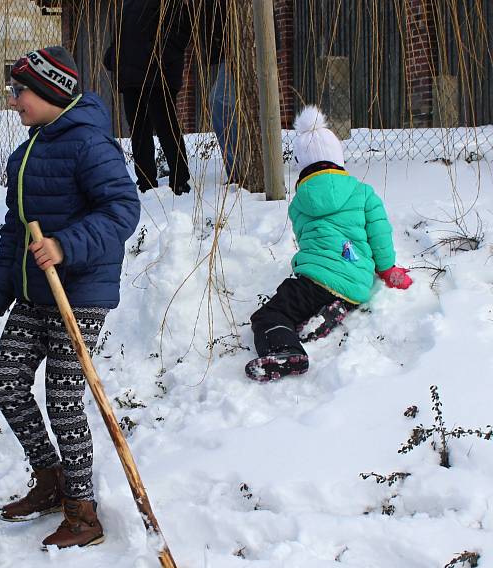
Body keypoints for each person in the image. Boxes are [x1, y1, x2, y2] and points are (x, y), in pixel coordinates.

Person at [0, 46, 140, 549]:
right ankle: (49, 479)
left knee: (64, 397)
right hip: (32, 293)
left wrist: (65, 246)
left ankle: (82, 510)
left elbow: (122, 210)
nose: (13, 101)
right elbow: (14, 229)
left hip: (80, 291)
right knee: (6, 382)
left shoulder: (91, 144)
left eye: (19, 90)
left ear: (49, 91)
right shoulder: (24, 154)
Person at [245, 106, 412, 382]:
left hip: (315, 280)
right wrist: (387, 269)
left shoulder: (299, 203)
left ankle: (286, 351)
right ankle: (335, 307)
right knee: (310, 300)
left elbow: (304, 241)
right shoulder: (363, 193)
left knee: (270, 315)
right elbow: (380, 234)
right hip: (357, 280)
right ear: (338, 158)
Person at [106, 0, 192, 194]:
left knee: (166, 126)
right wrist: (113, 56)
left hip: (157, 75)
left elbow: (180, 31)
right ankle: (145, 182)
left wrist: (154, 56)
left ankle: (179, 180)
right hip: (130, 77)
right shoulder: (128, 4)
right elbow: (122, 36)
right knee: (138, 130)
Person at [200, 0, 237, 179]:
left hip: (241, 45)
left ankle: (237, 169)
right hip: (227, 50)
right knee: (222, 102)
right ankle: (236, 169)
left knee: (220, 101)